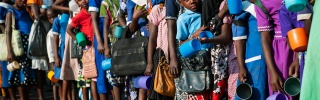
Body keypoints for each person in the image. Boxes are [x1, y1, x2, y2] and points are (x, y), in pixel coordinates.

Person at [254, 0, 295, 99]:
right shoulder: (261, 3)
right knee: (286, 91)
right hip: (283, 53)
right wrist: (272, 72)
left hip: (306, 42)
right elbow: (265, 38)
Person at [233, 0, 268, 99]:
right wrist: (241, 67)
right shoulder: (244, 8)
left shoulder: (267, 4)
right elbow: (239, 40)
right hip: (254, 60)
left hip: (270, 56)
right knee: (255, 92)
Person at [6, 0, 37, 99]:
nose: (23, 0)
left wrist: (30, 11)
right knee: (20, 74)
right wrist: (9, 51)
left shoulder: (26, 10)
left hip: (29, 45)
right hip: (19, 45)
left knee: (29, 74)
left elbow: (33, 23)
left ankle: (26, 96)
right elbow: (8, 33)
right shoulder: (10, 12)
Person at [145, 2, 174, 100]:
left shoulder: (182, 7)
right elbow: (152, 39)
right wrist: (149, 63)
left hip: (176, 57)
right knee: (160, 90)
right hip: (161, 58)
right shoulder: (159, 9)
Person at [46, 7, 62, 100]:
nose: (52, 19)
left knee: (60, 81)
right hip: (54, 60)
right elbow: (50, 50)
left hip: (60, 57)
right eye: (50, 17)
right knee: (55, 81)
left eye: (54, 16)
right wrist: (52, 62)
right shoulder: (50, 33)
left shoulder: (60, 29)